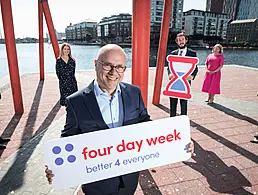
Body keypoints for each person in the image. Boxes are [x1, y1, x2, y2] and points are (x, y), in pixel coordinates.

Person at [45, 44, 194, 195]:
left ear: (124, 69)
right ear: (96, 64)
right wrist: (57, 166)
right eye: (108, 65)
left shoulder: (134, 93)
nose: (113, 72)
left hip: (128, 181)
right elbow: (67, 140)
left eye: (119, 67)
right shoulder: (75, 102)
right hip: (96, 185)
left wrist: (178, 141)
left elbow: (145, 125)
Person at [167, 32, 198, 117]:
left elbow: (195, 68)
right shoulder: (173, 53)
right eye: (179, 40)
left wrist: (192, 76)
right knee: (173, 102)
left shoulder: (192, 53)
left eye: (182, 39)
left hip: (185, 82)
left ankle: (183, 119)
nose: (181, 42)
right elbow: (169, 67)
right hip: (174, 82)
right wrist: (170, 74)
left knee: (183, 103)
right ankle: (172, 119)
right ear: (176, 42)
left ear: (186, 40)